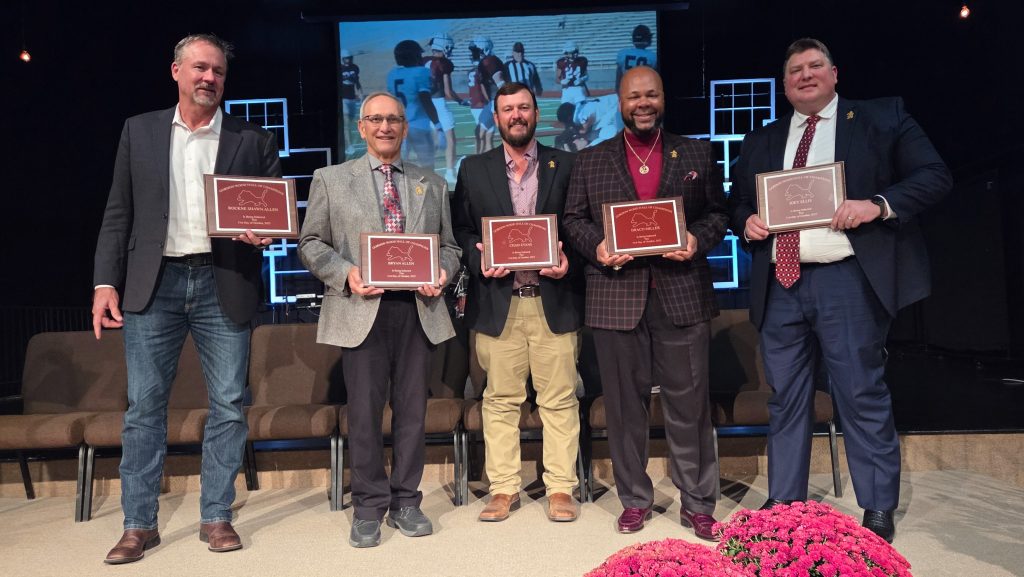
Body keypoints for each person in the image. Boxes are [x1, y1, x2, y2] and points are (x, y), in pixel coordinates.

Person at [728, 38, 952, 543]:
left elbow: (935, 175)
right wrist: (746, 221)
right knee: (785, 398)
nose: (805, 76)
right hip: (781, 284)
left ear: (834, 74)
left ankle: (876, 505)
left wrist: (878, 204)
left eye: (815, 66)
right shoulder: (762, 138)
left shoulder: (880, 117)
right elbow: (737, 200)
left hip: (846, 279)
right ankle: (785, 500)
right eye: (795, 70)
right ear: (784, 84)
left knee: (859, 392)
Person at [92, 33, 281, 564]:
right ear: (175, 71)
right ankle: (138, 525)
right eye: (199, 68)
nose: (209, 78)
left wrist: (265, 233)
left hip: (225, 279)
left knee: (228, 404)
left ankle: (216, 515)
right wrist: (104, 282)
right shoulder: (140, 130)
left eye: (217, 71)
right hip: (154, 284)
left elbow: (273, 210)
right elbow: (118, 213)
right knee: (144, 408)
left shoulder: (253, 138)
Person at [563, 66, 727, 541]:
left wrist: (696, 239)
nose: (643, 103)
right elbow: (572, 219)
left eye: (651, 94)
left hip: (682, 295)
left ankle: (698, 503)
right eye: (634, 96)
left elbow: (718, 213)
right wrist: (597, 246)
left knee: (690, 406)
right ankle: (635, 499)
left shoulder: (696, 152)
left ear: (663, 98)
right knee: (623, 409)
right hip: (616, 298)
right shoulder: (590, 160)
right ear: (620, 103)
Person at [298, 92, 461, 548]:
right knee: (365, 415)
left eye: (393, 119)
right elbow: (311, 243)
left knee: (412, 413)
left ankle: (407, 501)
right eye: (375, 119)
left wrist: (443, 272)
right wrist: (345, 273)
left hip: (418, 311)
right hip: (360, 309)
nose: (385, 127)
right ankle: (368, 506)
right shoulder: (331, 179)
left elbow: (450, 246)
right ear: (362, 127)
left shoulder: (432, 182)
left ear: (405, 127)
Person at [452, 83, 583, 523]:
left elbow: (581, 224)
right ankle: (503, 489)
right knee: (500, 400)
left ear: (536, 113)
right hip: (499, 303)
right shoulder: (474, 168)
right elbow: (461, 230)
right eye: (507, 109)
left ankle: (560, 488)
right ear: (496, 117)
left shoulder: (567, 164)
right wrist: (479, 257)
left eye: (524, 107)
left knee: (559, 400)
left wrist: (568, 260)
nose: (516, 115)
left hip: (553, 300)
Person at [387, 40, 439, 166]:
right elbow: (425, 99)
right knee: (428, 167)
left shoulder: (392, 74)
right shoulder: (421, 72)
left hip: (398, 125)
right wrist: (438, 124)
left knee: (397, 167)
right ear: (414, 56)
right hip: (418, 124)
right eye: (419, 54)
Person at [425, 32, 467, 185]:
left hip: (424, 105)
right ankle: (449, 172)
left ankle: (427, 173)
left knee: (434, 141)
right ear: (444, 46)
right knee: (450, 140)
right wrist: (461, 101)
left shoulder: (423, 60)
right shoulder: (443, 63)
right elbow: (449, 92)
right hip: (438, 104)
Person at [469, 36, 505, 154]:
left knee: (484, 134)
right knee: (481, 133)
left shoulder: (489, 61)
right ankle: (483, 160)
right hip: (492, 102)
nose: (473, 54)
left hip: (498, 101)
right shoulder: (484, 62)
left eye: (476, 51)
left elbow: (500, 82)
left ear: (485, 49)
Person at [554, 94, 623, 152]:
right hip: (615, 102)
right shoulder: (582, 107)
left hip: (618, 105)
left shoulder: (582, 115)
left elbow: (586, 127)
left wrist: (580, 132)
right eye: (573, 146)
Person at [615, 25, 658, 90]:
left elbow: (619, 78)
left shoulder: (622, 53)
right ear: (646, 38)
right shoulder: (653, 56)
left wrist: (618, 91)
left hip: (628, 89)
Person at [340, 48, 363, 156]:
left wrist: (360, 93)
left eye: (349, 58)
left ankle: (348, 142)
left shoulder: (355, 67)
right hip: (343, 98)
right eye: (346, 58)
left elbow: (357, 81)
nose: (348, 60)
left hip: (352, 97)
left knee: (351, 120)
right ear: (342, 59)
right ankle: (349, 145)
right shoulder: (339, 69)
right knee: (346, 123)